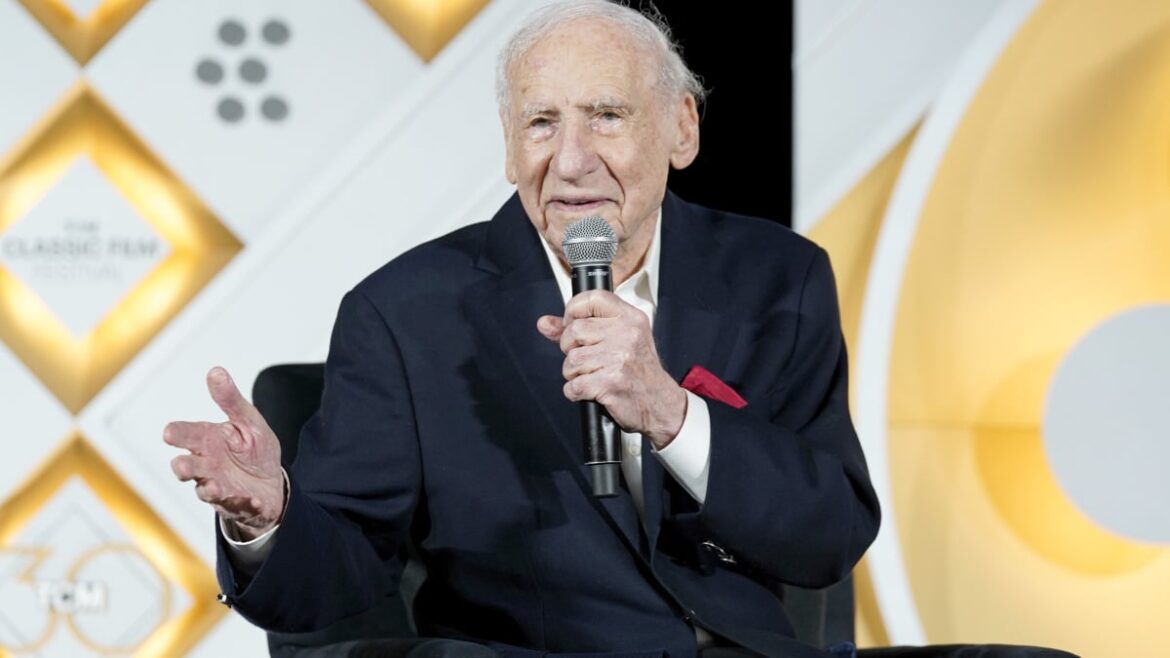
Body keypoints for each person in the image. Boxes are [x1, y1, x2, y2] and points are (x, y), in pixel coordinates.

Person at [164, 2, 880, 656]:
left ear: (681, 129)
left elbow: (830, 537)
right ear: (510, 149)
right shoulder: (406, 313)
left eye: (607, 116)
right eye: (541, 124)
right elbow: (332, 585)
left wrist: (672, 413)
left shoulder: (779, 279)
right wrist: (269, 519)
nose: (570, 161)